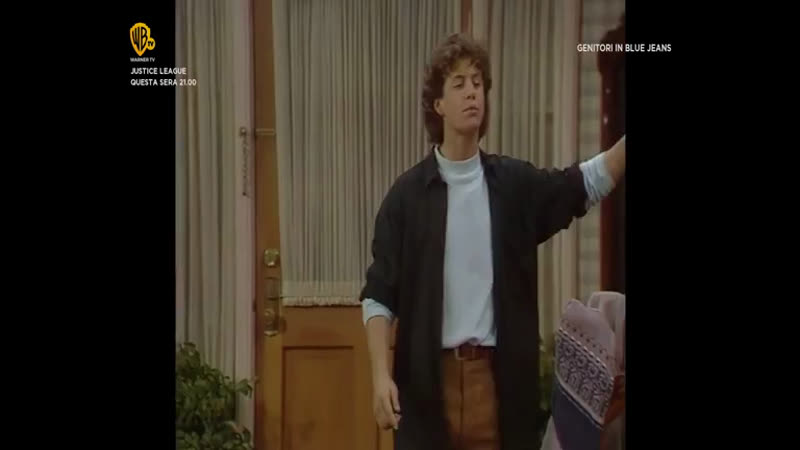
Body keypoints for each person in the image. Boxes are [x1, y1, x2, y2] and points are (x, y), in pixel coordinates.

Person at [359, 33, 626, 450]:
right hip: (429, 389)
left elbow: (582, 184)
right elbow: (379, 295)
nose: (472, 93)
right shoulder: (407, 197)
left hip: (498, 389)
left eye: (478, 82)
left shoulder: (512, 186)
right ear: (438, 104)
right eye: (459, 83)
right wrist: (379, 375)